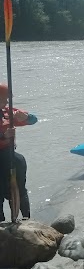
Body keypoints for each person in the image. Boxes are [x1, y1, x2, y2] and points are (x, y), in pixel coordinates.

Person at [0, 83, 37, 221]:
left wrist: (25, 117)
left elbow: (34, 119)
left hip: (9, 155)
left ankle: (26, 217)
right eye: (5, 99)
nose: (7, 102)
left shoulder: (8, 112)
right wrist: (3, 136)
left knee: (20, 162)